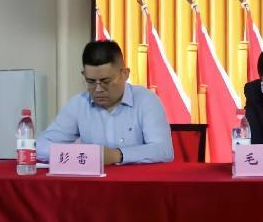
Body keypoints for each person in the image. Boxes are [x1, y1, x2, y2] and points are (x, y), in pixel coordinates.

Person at [36, 41, 174, 165]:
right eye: (90, 81)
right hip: (92, 183)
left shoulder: (146, 100)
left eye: (106, 81)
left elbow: (164, 150)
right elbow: (41, 146)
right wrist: (81, 154)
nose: (98, 89)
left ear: (125, 74)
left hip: (137, 182)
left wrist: (117, 155)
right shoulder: (79, 104)